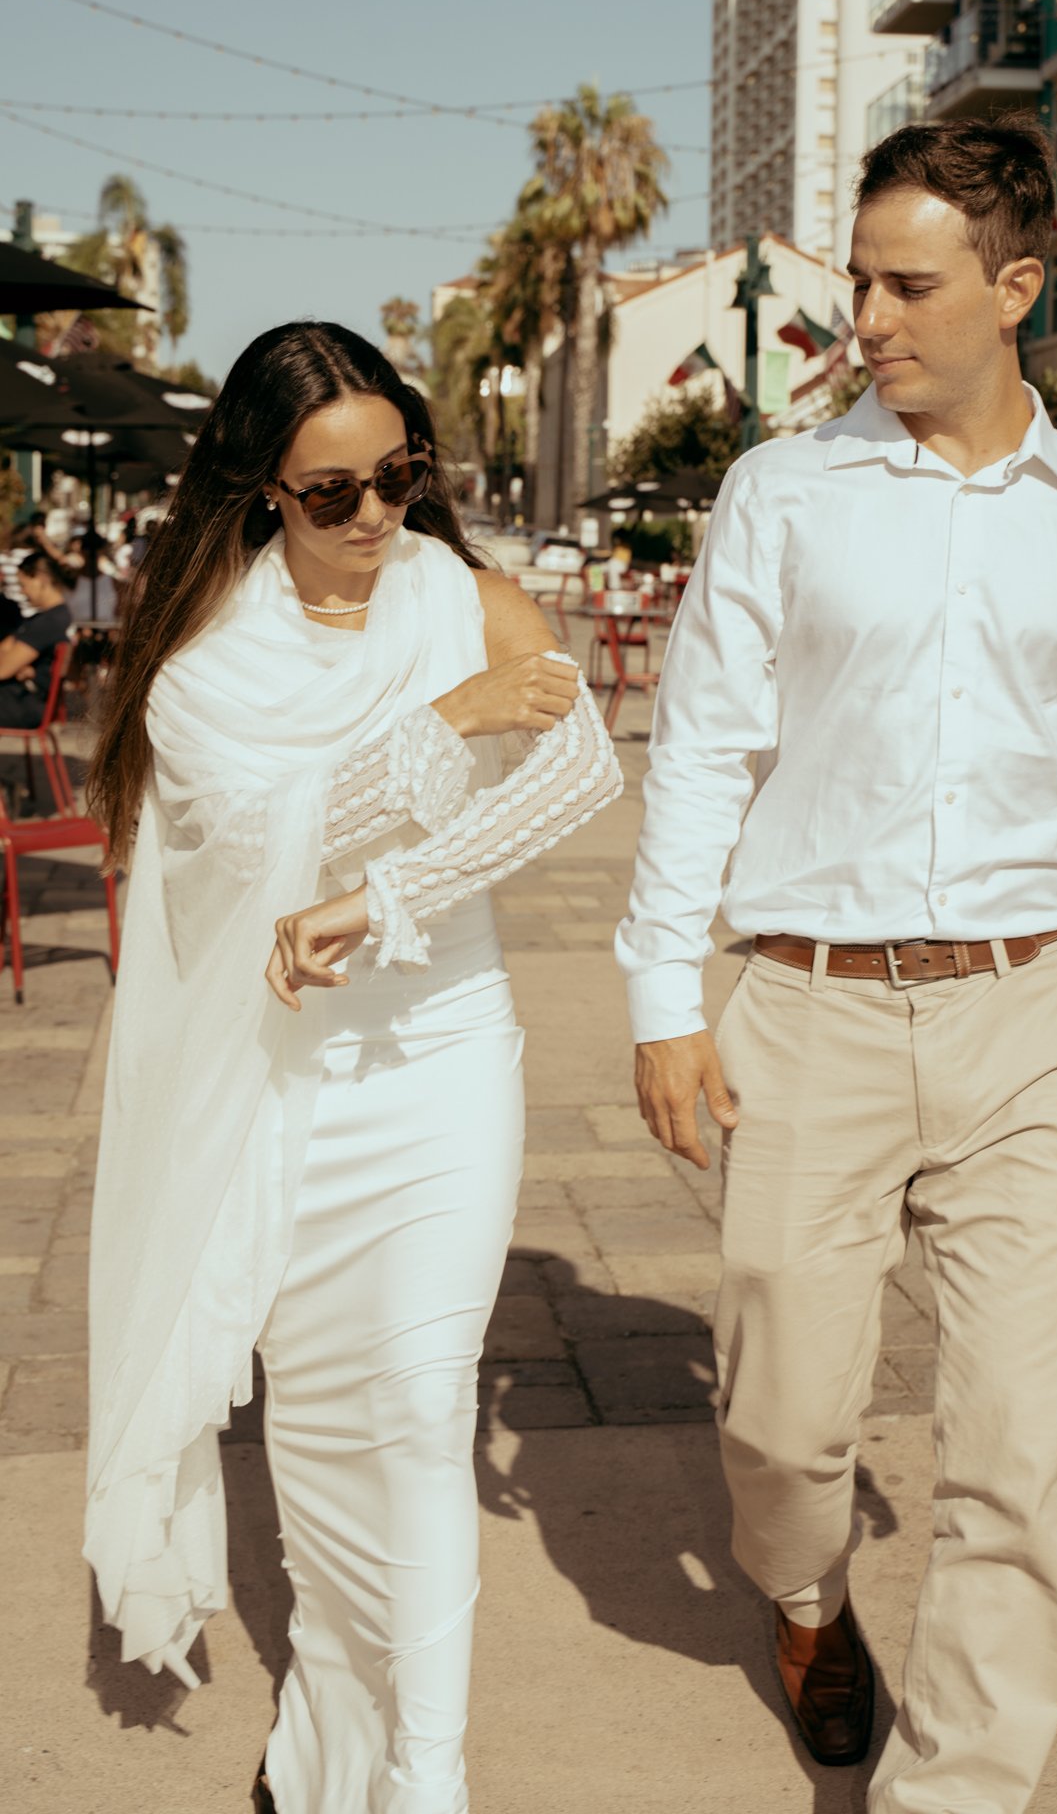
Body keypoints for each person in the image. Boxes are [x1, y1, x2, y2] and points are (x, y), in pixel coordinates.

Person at [617, 114, 1057, 1814]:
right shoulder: (783, 492)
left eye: (913, 285)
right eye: (863, 283)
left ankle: (954, 1788)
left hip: (1032, 1010)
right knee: (778, 1418)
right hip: (810, 1006)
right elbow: (699, 751)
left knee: (1020, 1450)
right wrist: (664, 996)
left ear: (1020, 286)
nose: (875, 319)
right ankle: (811, 1596)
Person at [83, 322, 622, 1814]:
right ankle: (328, 1734)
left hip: (444, 1060)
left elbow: (584, 767)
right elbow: (262, 849)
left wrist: (391, 897)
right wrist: (444, 724)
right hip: (286, 1087)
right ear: (264, 490)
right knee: (321, 1444)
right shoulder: (197, 674)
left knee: (421, 1407)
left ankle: (426, 1781)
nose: (376, 517)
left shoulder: (456, 587)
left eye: (398, 477)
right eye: (334, 493)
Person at [0, 549, 73, 727]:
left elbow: (2, 669)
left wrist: (15, 663)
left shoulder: (48, 623)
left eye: (24, 585)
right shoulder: (54, 617)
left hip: (25, 704)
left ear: (41, 579)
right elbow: (5, 650)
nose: (23, 593)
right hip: (24, 699)